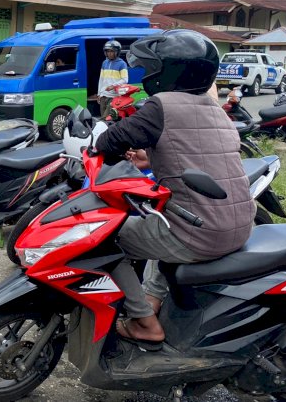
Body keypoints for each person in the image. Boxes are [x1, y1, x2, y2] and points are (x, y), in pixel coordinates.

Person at [94, 29, 255, 346]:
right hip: (238, 225)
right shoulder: (216, 111)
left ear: (167, 70)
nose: (147, 75)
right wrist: (150, 157)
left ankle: (144, 321)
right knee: (157, 223)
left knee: (104, 239)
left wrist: (115, 154)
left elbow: (107, 141)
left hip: (201, 231)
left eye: (151, 67)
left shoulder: (161, 105)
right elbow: (193, 153)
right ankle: (153, 300)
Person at [97, 40, 128, 117]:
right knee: (103, 117)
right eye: (108, 51)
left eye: (112, 51)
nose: (109, 53)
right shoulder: (104, 63)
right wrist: (99, 94)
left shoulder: (122, 64)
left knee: (106, 118)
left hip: (114, 97)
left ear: (117, 52)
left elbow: (125, 80)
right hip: (103, 96)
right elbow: (101, 79)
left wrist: (113, 86)